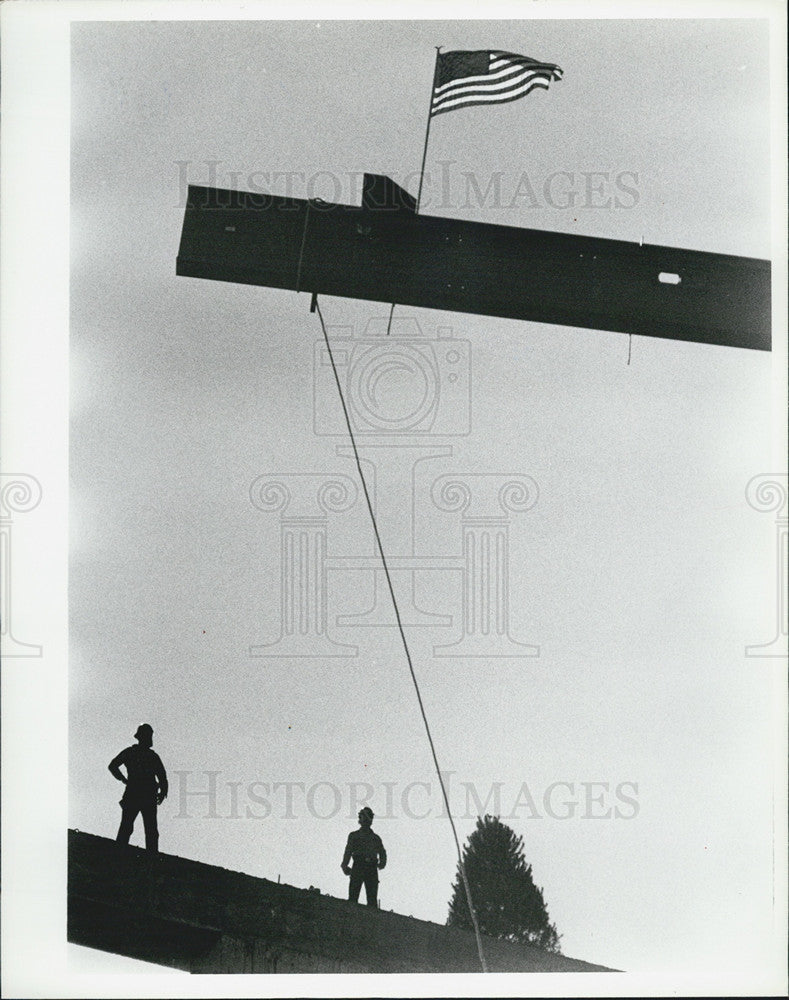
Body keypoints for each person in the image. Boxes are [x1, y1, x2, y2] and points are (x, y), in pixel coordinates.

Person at [108, 723, 168, 853]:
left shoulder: (136, 753)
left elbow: (162, 776)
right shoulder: (148, 756)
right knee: (135, 827)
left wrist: (163, 791)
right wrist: (124, 779)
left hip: (139, 794)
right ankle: (122, 854)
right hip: (140, 795)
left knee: (142, 828)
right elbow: (162, 776)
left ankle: (122, 853)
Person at [341, 806, 386, 908]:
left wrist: (382, 863)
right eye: (363, 817)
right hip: (358, 866)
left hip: (371, 868)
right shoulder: (354, 836)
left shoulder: (375, 838)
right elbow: (348, 851)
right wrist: (344, 865)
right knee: (353, 898)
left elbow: (382, 852)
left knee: (372, 902)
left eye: (367, 817)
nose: (365, 820)